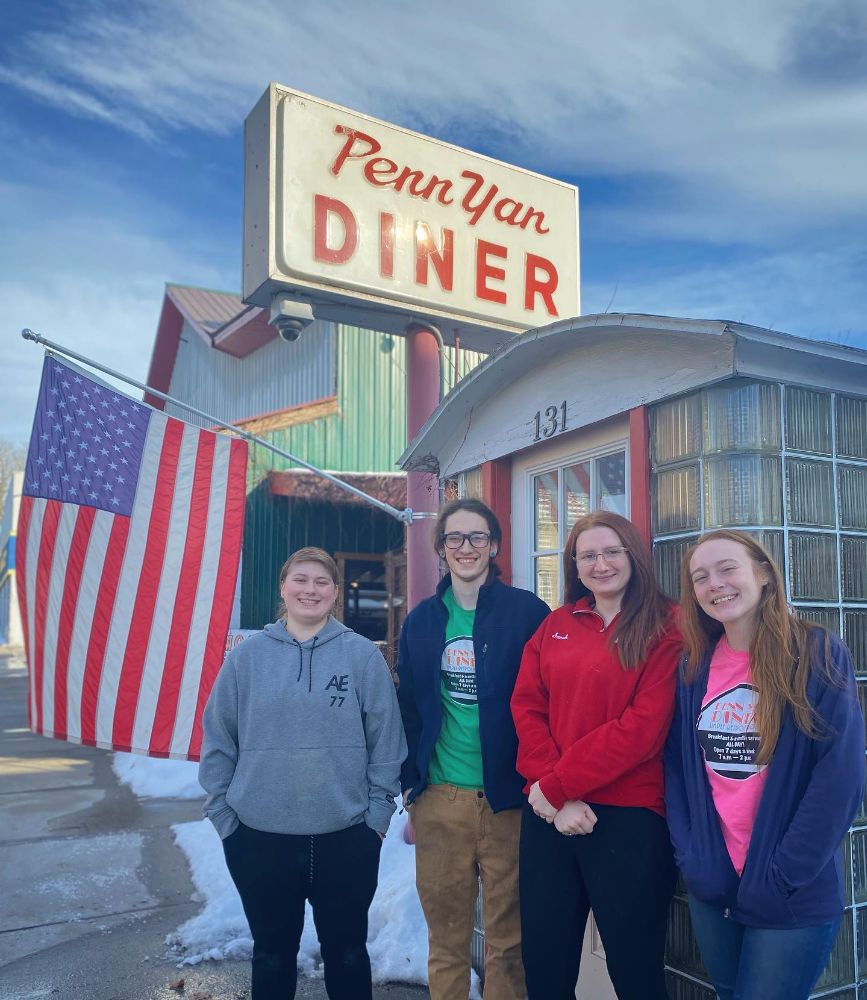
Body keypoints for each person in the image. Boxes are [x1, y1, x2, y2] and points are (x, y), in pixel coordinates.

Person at [664, 529, 865, 1000]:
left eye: (727, 568)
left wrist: (784, 875)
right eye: (701, 577)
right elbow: (676, 767)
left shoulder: (815, 653)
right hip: (714, 885)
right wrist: (694, 856)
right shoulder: (694, 665)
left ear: (764, 574)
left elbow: (840, 775)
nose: (715, 585)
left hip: (789, 889)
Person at [198, 547, 407, 1000]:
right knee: (271, 956)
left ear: (334, 592)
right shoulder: (246, 658)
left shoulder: (361, 657)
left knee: (348, 954)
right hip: (259, 838)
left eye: (321, 582)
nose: (309, 590)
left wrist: (375, 818)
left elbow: (386, 743)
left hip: (346, 836)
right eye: (300, 579)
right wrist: (224, 818)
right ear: (283, 586)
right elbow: (218, 740)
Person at [511, 510, 681, 1000]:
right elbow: (526, 706)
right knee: (545, 964)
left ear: (633, 555)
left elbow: (642, 729)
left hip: (629, 818)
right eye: (587, 555)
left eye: (611, 551)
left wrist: (558, 786)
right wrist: (551, 792)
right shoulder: (556, 624)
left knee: (635, 968)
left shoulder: (666, 626)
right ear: (574, 565)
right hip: (549, 814)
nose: (600, 563)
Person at [397, 497, 549, 999]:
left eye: (477, 537)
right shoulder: (421, 621)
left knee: (509, 943)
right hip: (442, 799)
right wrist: (410, 788)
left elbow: (550, 701)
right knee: (447, 943)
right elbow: (408, 710)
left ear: (494, 546)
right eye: (455, 538)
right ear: (441, 548)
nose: (466, 548)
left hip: (510, 801)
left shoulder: (527, 612)